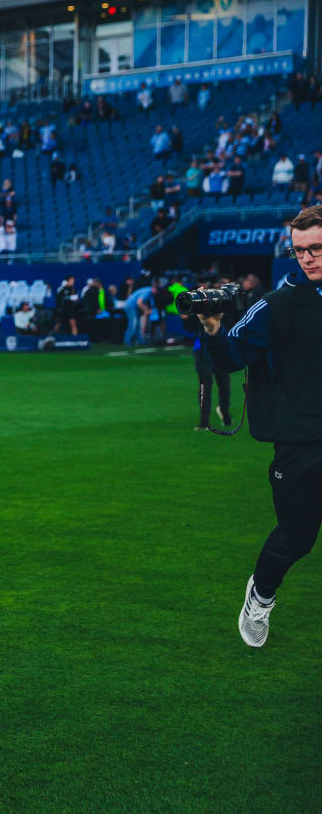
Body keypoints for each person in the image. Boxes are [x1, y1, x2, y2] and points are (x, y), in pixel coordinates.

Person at [199, 205, 322, 648]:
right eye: (300, 250)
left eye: (317, 248)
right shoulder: (277, 305)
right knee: (297, 538)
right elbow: (232, 358)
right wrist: (213, 329)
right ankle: (261, 597)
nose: (307, 257)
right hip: (301, 441)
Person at [182, 280, 232, 431]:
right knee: (205, 385)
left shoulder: (221, 303)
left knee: (224, 384)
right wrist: (188, 314)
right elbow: (190, 328)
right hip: (203, 348)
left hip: (221, 347)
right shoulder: (196, 306)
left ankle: (224, 413)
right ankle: (204, 421)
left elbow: (231, 323)